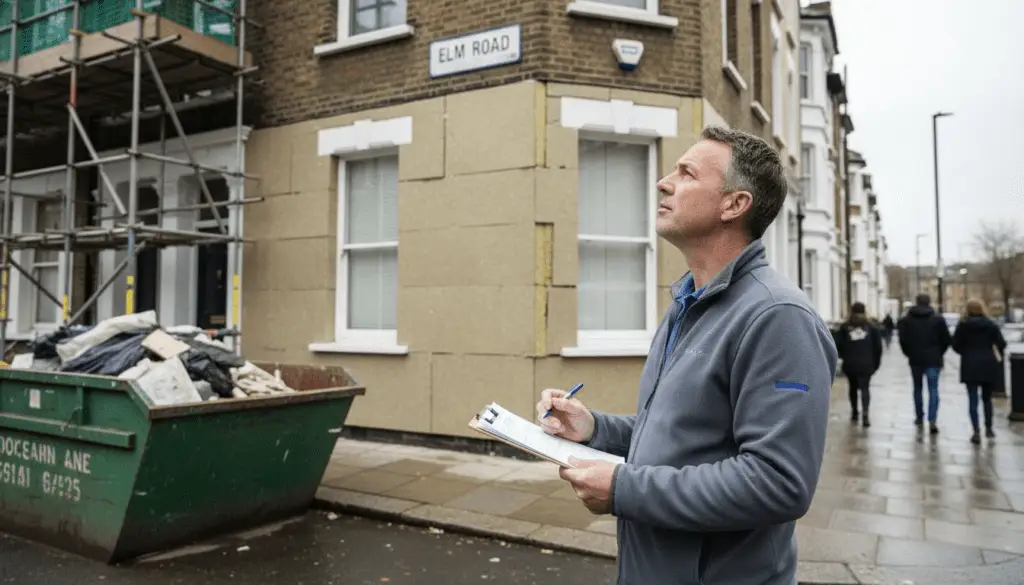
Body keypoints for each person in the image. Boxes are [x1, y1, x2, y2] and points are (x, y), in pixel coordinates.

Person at [536, 126, 837, 585]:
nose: (664, 181)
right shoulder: (687, 301)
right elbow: (681, 434)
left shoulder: (779, 317)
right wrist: (595, 428)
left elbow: (778, 482)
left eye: (687, 173)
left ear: (734, 205)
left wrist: (622, 488)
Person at [951, 299, 1007, 444]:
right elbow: (1002, 343)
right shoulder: (991, 325)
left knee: (972, 399)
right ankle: (989, 428)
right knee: (987, 399)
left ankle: (976, 430)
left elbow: (955, 344)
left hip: (969, 364)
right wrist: (993, 351)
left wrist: (965, 352)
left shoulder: (963, 326)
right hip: (988, 363)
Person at [897, 293, 952, 434]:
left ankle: (919, 416)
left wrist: (908, 352)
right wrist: (939, 352)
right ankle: (932, 419)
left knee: (917, 388)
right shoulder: (938, 319)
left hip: (915, 357)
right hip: (933, 358)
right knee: (933, 389)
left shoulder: (907, 320)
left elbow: (903, 340)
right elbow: (946, 339)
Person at [836, 302, 883, 427]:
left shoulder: (845, 327)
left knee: (852, 388)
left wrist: (844, 356)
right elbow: (878, 347)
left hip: (850, 363)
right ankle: (866, 414)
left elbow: (838, 345)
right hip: (866, 363)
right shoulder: (871, 327)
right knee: (865, 388)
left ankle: (855, 412)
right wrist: (876, 364)